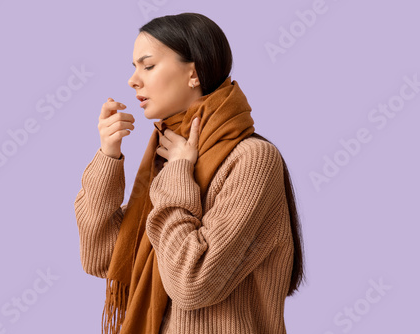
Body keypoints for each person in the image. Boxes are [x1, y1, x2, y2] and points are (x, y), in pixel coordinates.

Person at [74, 12, 305, 334]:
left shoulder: (252, 159)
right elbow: (102, 257)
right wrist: (108, 156)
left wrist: (179, 172)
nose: (133, 80)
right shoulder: (169, 152)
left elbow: (193, 283)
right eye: (134, 67)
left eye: (148, 65)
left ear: (193, 73)